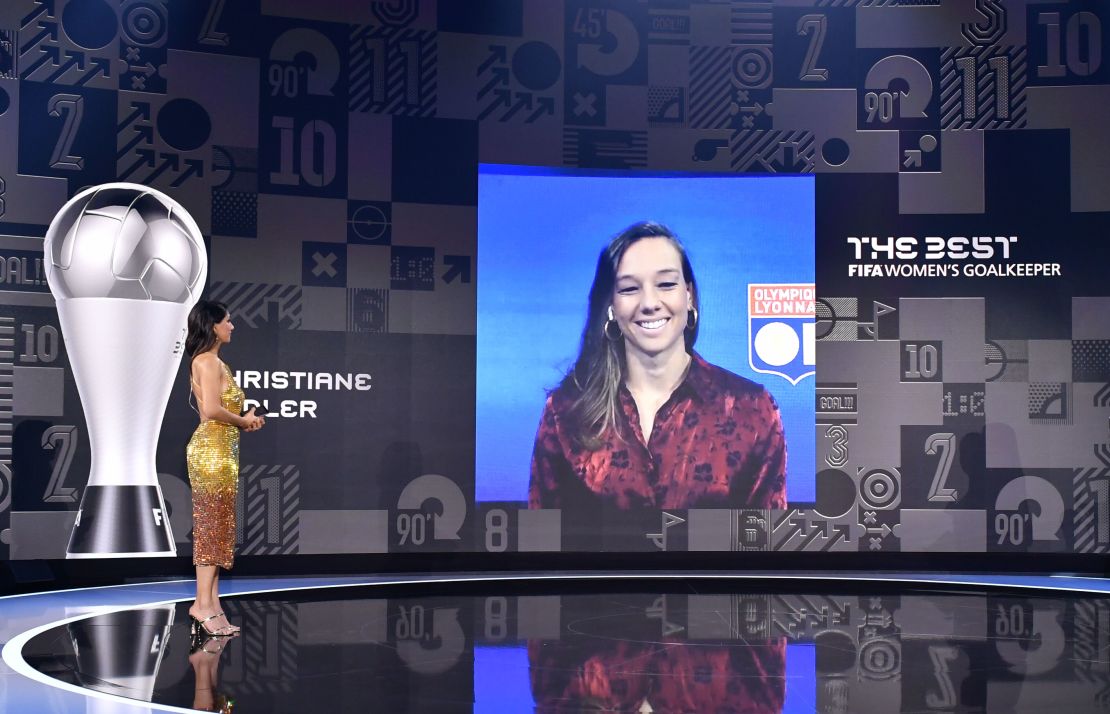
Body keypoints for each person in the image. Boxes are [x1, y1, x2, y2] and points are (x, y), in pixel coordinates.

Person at [528, 221, 786, 511]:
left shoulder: (751, 410)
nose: (650, 302)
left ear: (688, 295)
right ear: (611, 305)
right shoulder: (565, 411)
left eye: (666, 284)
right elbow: (543, 536)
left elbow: (766, 540)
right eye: (629, 288)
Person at [185, 300, 264, 638]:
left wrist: (244, 422)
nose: (232, 326)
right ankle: (201, 605)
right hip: (211, 452)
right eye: (228, 321)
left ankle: (212, 604)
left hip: (222, 451)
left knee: (218, 527)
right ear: (213, 326)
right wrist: (244, 422)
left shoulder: (215, 362)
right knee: (211, 528)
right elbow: (212, 411)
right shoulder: (206, 361)